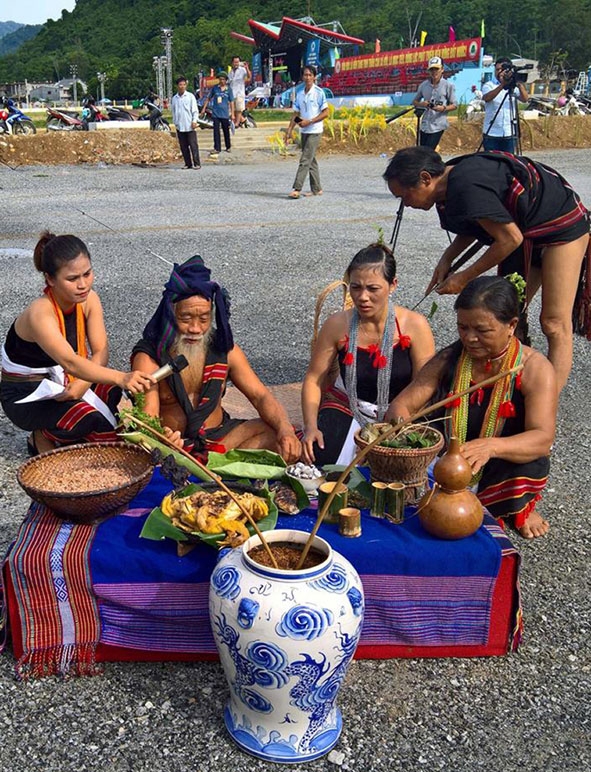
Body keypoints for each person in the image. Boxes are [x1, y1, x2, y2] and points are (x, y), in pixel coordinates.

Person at [383, 146, 589, 392]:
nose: (405, 204)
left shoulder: (466, 185)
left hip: (558, 224)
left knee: (553, 322)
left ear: (426, 178)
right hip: (525, 229)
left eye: (405, 196)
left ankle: (546, 402)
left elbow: (509, 239)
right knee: (506, 315)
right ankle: (508, 386)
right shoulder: (449, 183)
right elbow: (481, 220)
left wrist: (464, 277)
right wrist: (447, 259)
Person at [387, 276, 556, 539]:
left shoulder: (534, 368)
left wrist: (491, 446)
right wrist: (411, 442)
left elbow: (542, 438)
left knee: (529, 464)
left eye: (482, 330)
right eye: (462, 328)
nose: (470, 338)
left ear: (511, 325)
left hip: (499, 463)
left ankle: (519, 508)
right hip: (444, 458)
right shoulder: (450, 358)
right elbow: (401, 406)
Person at [131, 255, 301, 463]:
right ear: (170, 314)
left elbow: (260, 396)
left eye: (203, 319)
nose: (195, 329)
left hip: (221, 439)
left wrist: (285, 430)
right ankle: (221, 468)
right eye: (186, 318)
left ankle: (218, 464)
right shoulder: (149, 358)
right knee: (148, 454)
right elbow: (146, 421)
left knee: (282, 435)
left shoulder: (225, 350)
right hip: (176, 446)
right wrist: (161, 439)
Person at [0, 232, 155, 455]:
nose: (83, 285)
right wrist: (122, 377)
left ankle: (68, 434)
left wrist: (82, 384)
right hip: (29, 393)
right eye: (72, 279)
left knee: (111, 390)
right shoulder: (40, 313)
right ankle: (41, 434)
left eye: (87, 274)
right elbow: (71, 362)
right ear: (50, 279)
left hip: (68, 381)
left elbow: (101, 350)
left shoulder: (90, 299)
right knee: (90, 419)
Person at [301, 243, 436, 465]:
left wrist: (393, 429)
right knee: (319, 458)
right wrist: (310, 426)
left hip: (402, 416)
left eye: (373, 289)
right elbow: (314, 379)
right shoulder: (337, 324)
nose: (362, 297)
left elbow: (425, 386)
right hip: (350, 408)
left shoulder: (415, 325)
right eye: (356, 288)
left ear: (393, 285)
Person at [286, 65, 329, 199]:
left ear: (314, 77)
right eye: (305, 75)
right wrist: (289, 129)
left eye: (310, 75)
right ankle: (317, 188)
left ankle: (296, 188)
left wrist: (310, 121)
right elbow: (296, 114)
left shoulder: (318, 92)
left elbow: (326, 112)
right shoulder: (299, 94)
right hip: (304, 130)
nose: (308, 77)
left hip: (315, 130)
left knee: (305, 159)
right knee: (311, 159)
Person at [482, 57, 529, 152]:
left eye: (502, 70)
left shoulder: (513, 86)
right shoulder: (489, 85)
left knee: (509, 162)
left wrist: (518, 83)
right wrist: (502, 85)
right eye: (497, 70)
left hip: (509, 132)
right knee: (491, 162)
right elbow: (487, 98)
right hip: (492, 132)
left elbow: (525, 99)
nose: (499, 72)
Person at [412, 56, 457, 149]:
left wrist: (443, 108)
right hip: (425, 125)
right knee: (422, 151)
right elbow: (415, 101)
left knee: (429, 151)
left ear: (442, 69)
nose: (434, 72)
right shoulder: (423, 85)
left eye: (436, 69)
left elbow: (454, 105)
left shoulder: (448, 86)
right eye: (431, 69)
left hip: (438, 124)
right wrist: (422, 104)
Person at [171, 76, 201, 170]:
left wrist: (194, 121)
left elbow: (195, 110)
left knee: (193, 145)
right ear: (177, 86)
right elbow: (174, 111)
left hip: (189, 125)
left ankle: (197, 163)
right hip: (180, 125)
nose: (182, 86)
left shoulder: (190, 96)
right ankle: (188, 163)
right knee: (183, 146)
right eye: (180, 85)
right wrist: (175, 123)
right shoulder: (174, 98)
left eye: (184, 84)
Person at [202, 71, 234, 158]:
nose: (222, 81)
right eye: (220, 79)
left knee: (226, 130)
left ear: (226, 80)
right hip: (216, 113)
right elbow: (208, 98)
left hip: (225, 114)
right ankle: (217, 147)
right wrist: (204, 108)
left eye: (223, 79)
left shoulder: (229, 90)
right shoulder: (215, 88)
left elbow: (231, 102)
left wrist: (233, 113)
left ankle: (228, 146)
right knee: (216, 131)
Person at [227, 56, 251, 128]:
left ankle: (237, 124)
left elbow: (249, 77)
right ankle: (243, 120)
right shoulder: (230, 72)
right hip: (231, 93)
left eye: (237, 62)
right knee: (230, 110)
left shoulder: (242, 70)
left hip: (239, 93)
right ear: (232, 63)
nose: (236, 64)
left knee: (239, 109)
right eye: (235, 62)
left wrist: (247, 68)